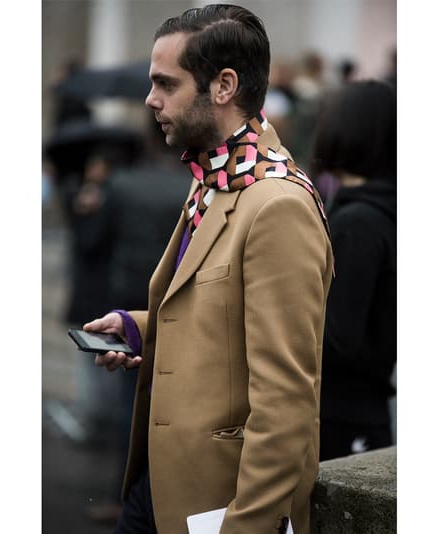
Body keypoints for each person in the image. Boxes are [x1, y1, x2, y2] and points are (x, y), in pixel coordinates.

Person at [81, 5, 334, 533]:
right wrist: (140, 328)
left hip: (216, 507)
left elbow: (286, 404)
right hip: (158, 488)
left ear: (223, 86)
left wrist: (245, 526)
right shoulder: (215, 176)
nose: (150, 99)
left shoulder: (276, 203)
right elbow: (222, 320)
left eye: (165, 84)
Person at [310, 81, 397, 460]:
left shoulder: (358, 221)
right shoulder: (382, 210)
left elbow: (337, 338)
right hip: (363, 414)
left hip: (340, 418)